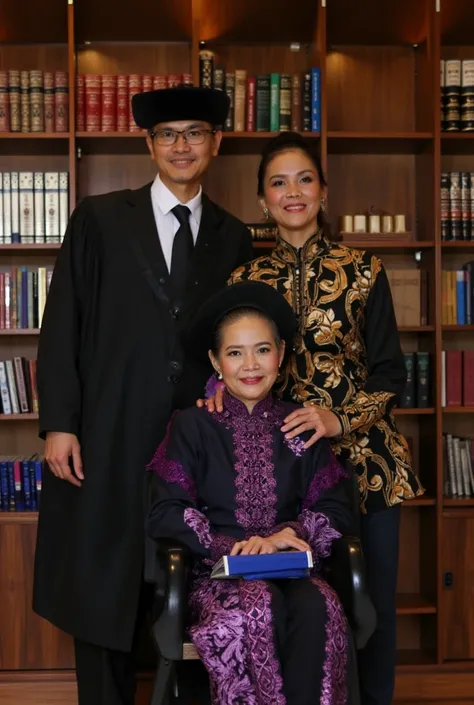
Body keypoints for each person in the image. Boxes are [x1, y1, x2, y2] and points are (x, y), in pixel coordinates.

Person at [32, 85, 254, 705]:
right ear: (148, 143)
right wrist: (60, 423)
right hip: (105, 433)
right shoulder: (100, 219)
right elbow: (62, 326)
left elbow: (236, 340)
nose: (182, 146)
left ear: (217, 142)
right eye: (168, 134)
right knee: (102, 584)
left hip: (194, 443)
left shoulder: (234, 237)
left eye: (195, 133)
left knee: (184, 587)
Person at [203, 132, 425, 705]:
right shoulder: (245, 281)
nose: (292, 192)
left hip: (368, 468)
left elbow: (389, 376)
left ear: (323, 192)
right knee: (304, 604)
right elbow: (230, 360)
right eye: (278, 182)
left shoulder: (364, 270)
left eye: (304, 179)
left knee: (369, 604)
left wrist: (337, 419)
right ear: (262, 200)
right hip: (286, 476)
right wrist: (213, 393)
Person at [147, 280, 355, 705]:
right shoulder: (193, 426)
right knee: (253, 612)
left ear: (280, 354)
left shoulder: (300, 423)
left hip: (295, 567)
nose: (250, 365)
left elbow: (334, 506)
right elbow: (167, 509)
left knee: (322, 608)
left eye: (262, 349)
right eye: (235, 353)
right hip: (216, 573)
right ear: (215, 362)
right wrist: (236, 547)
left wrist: (286, 536)